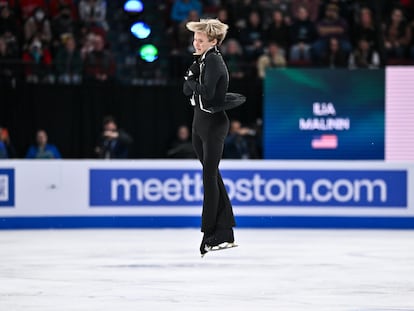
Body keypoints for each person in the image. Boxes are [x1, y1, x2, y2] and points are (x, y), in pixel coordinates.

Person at [183, 18, 238, 256]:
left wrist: (191, 80)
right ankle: (223, 232)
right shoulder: (201, 60)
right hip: (199, 124)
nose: (196, 43)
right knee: (212, 177)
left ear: (213, 41)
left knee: (209, 177)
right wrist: (191, 81)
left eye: (201, 40)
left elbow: (207, 93)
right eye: (195, 39)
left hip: (213, 125)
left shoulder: (214, 61)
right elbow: (185, 89)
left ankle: (210, 233)